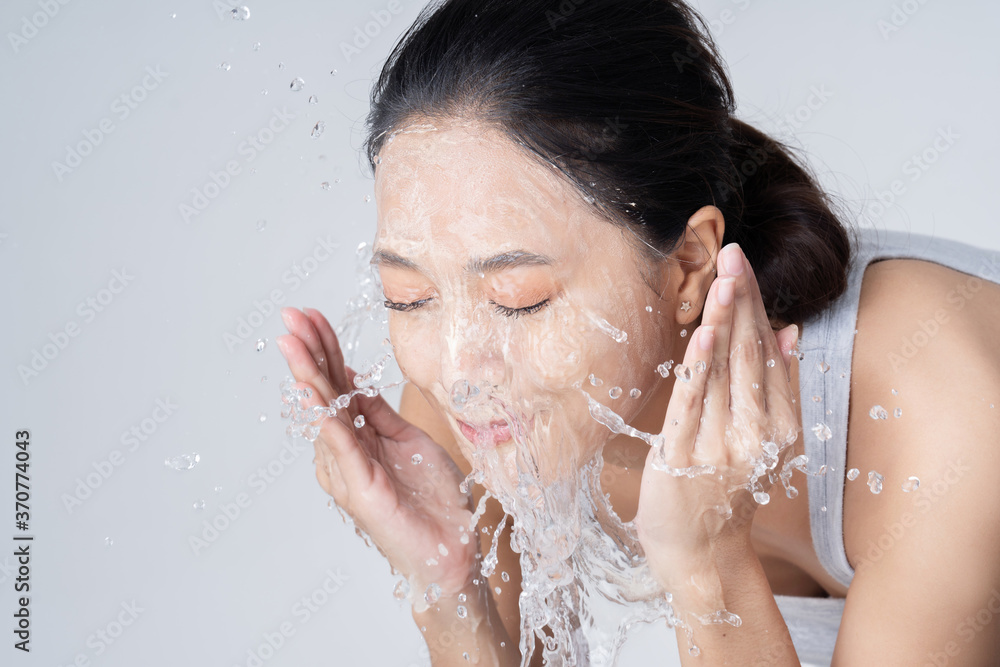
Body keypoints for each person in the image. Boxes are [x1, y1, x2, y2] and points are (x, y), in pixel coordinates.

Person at [276, 0, 1000, 664]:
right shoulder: (475, 412)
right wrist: (450, 592)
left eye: (518, 299)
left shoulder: (943, 404)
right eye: (411, 296)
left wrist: (709, 562)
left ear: (688, 265)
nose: (460, 368)